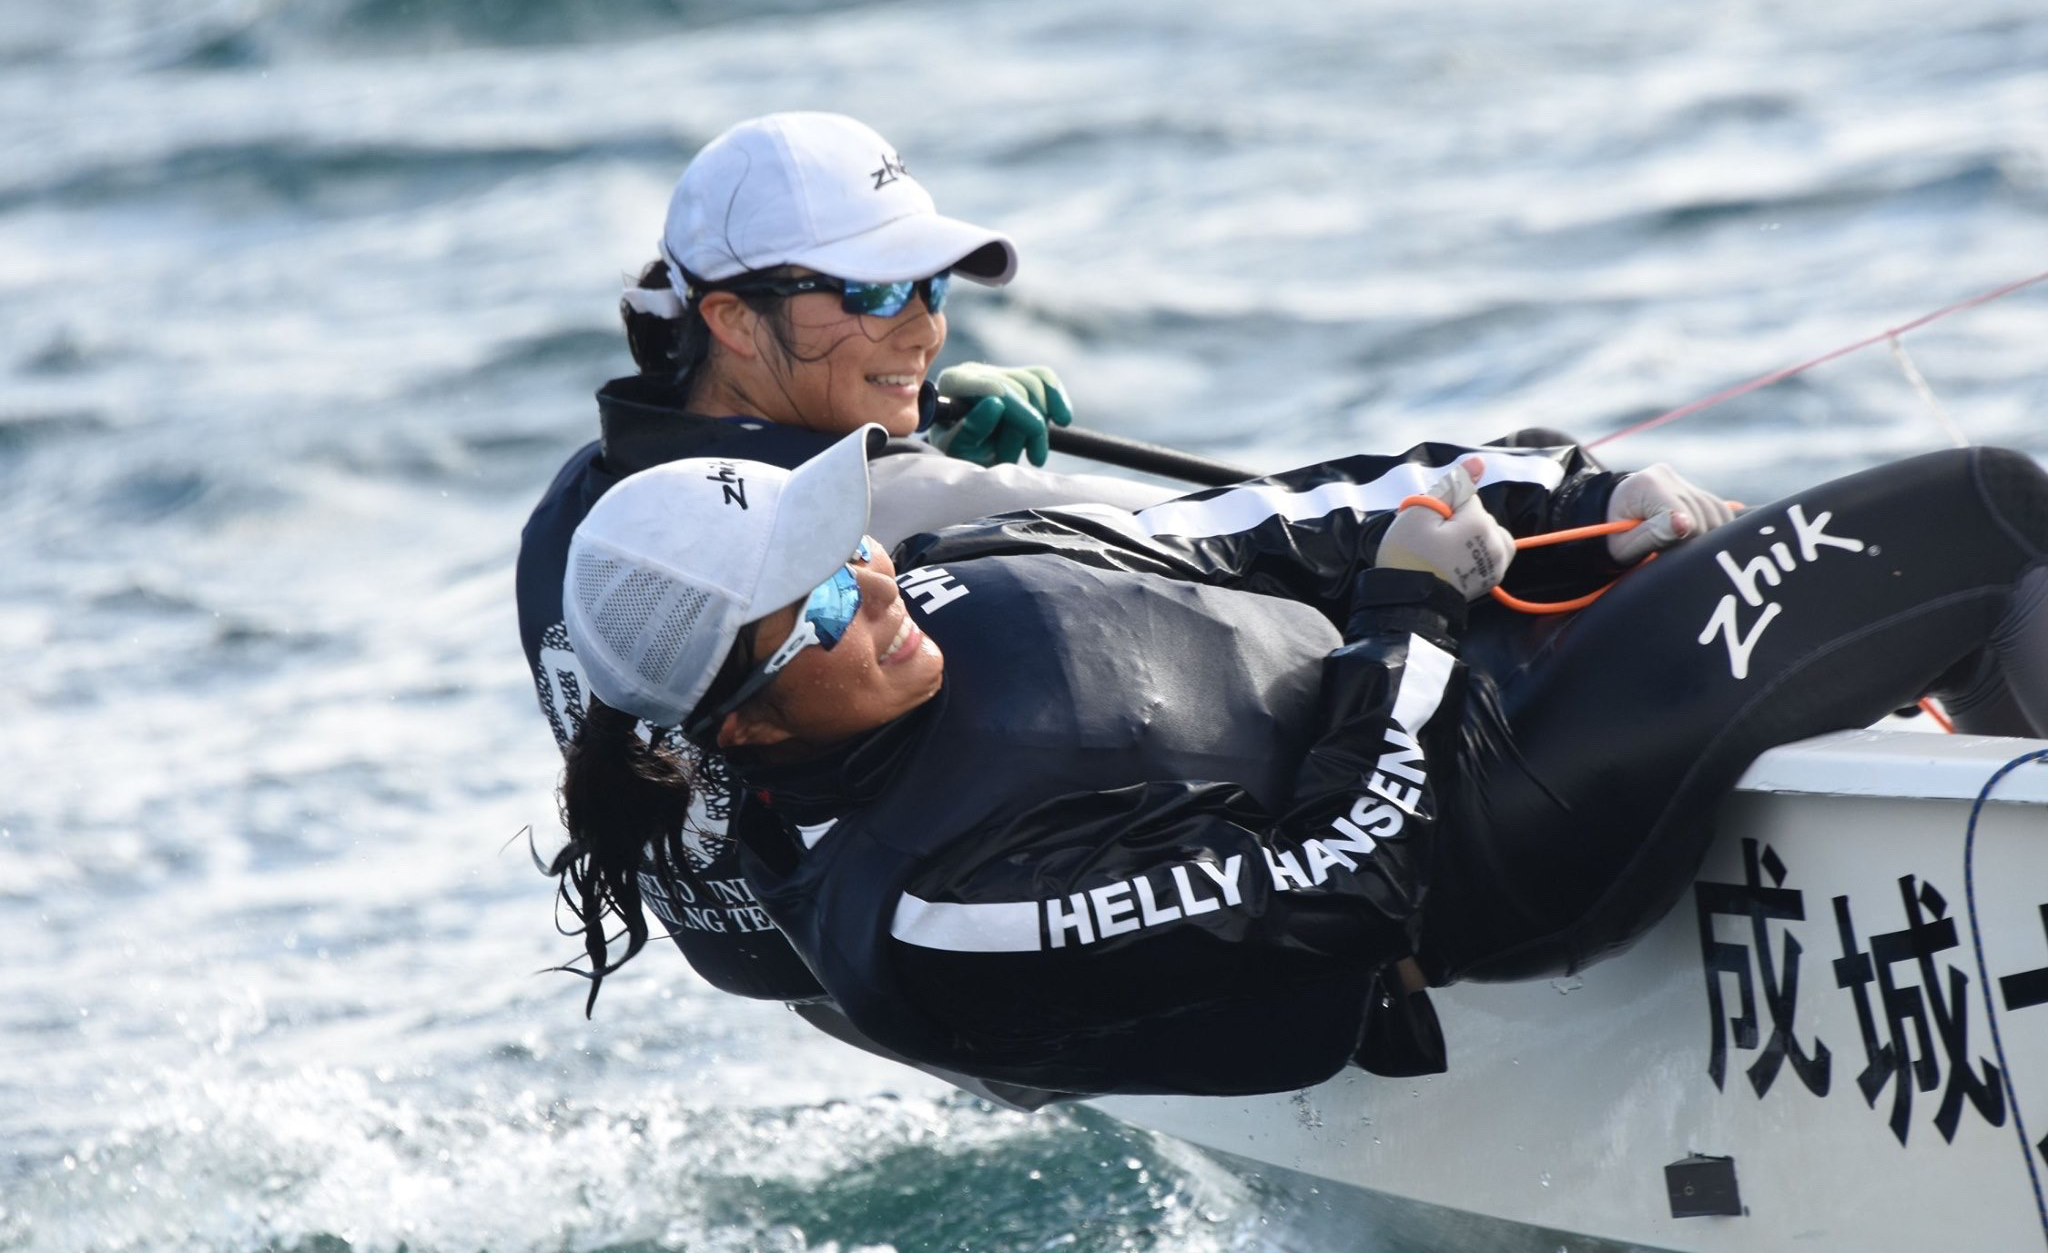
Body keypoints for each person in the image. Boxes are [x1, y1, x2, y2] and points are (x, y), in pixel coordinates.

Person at [549, 423, 2048, 1097]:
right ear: (735, 724)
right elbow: (1349, 879)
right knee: (1986, 515)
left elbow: (1284, 517)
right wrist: (1408, 616)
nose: (872, 588)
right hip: (1485, 836)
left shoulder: (942, 572)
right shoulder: (916, 912)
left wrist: (1582, 492)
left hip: (1471, 677)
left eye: (843, 545)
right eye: (814, 604)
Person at [517, 112, 1171, 1018]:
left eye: (930, 286)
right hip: (957, 964)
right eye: (873, 294)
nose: (926, 330)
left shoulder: (576, 504)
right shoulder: (898, 506)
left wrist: (910, 418)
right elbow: (1230, 532)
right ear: (733, 318)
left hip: (785, 969)